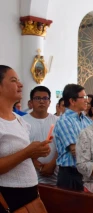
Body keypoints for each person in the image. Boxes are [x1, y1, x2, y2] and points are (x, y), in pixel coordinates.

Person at [0, 65, 51, 212]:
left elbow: (22, 157)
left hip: (30, 191)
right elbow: (23, 154)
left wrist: (36, 152)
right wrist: (28, 152)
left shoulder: (20, 120)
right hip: (9, 194)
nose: (21, 84)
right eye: (14, 80)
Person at [53, 84, 93, 191]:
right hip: (70, 175)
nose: (86, 100)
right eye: (83, 97)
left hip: (86, 174)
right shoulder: (65, 121)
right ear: (72, 101)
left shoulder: (87, 120)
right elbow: (76, 150)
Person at [23, 86, 58, 186]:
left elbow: (62, 146)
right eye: (38, 98)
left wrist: (52, 164)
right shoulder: (23, 121)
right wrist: (34, 162)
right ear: (31, 102)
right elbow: (20, 147)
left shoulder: (58, 121)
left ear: (49, 102)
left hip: (55, 175)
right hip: (31, 175)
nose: (41, 101)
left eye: (45, 98)